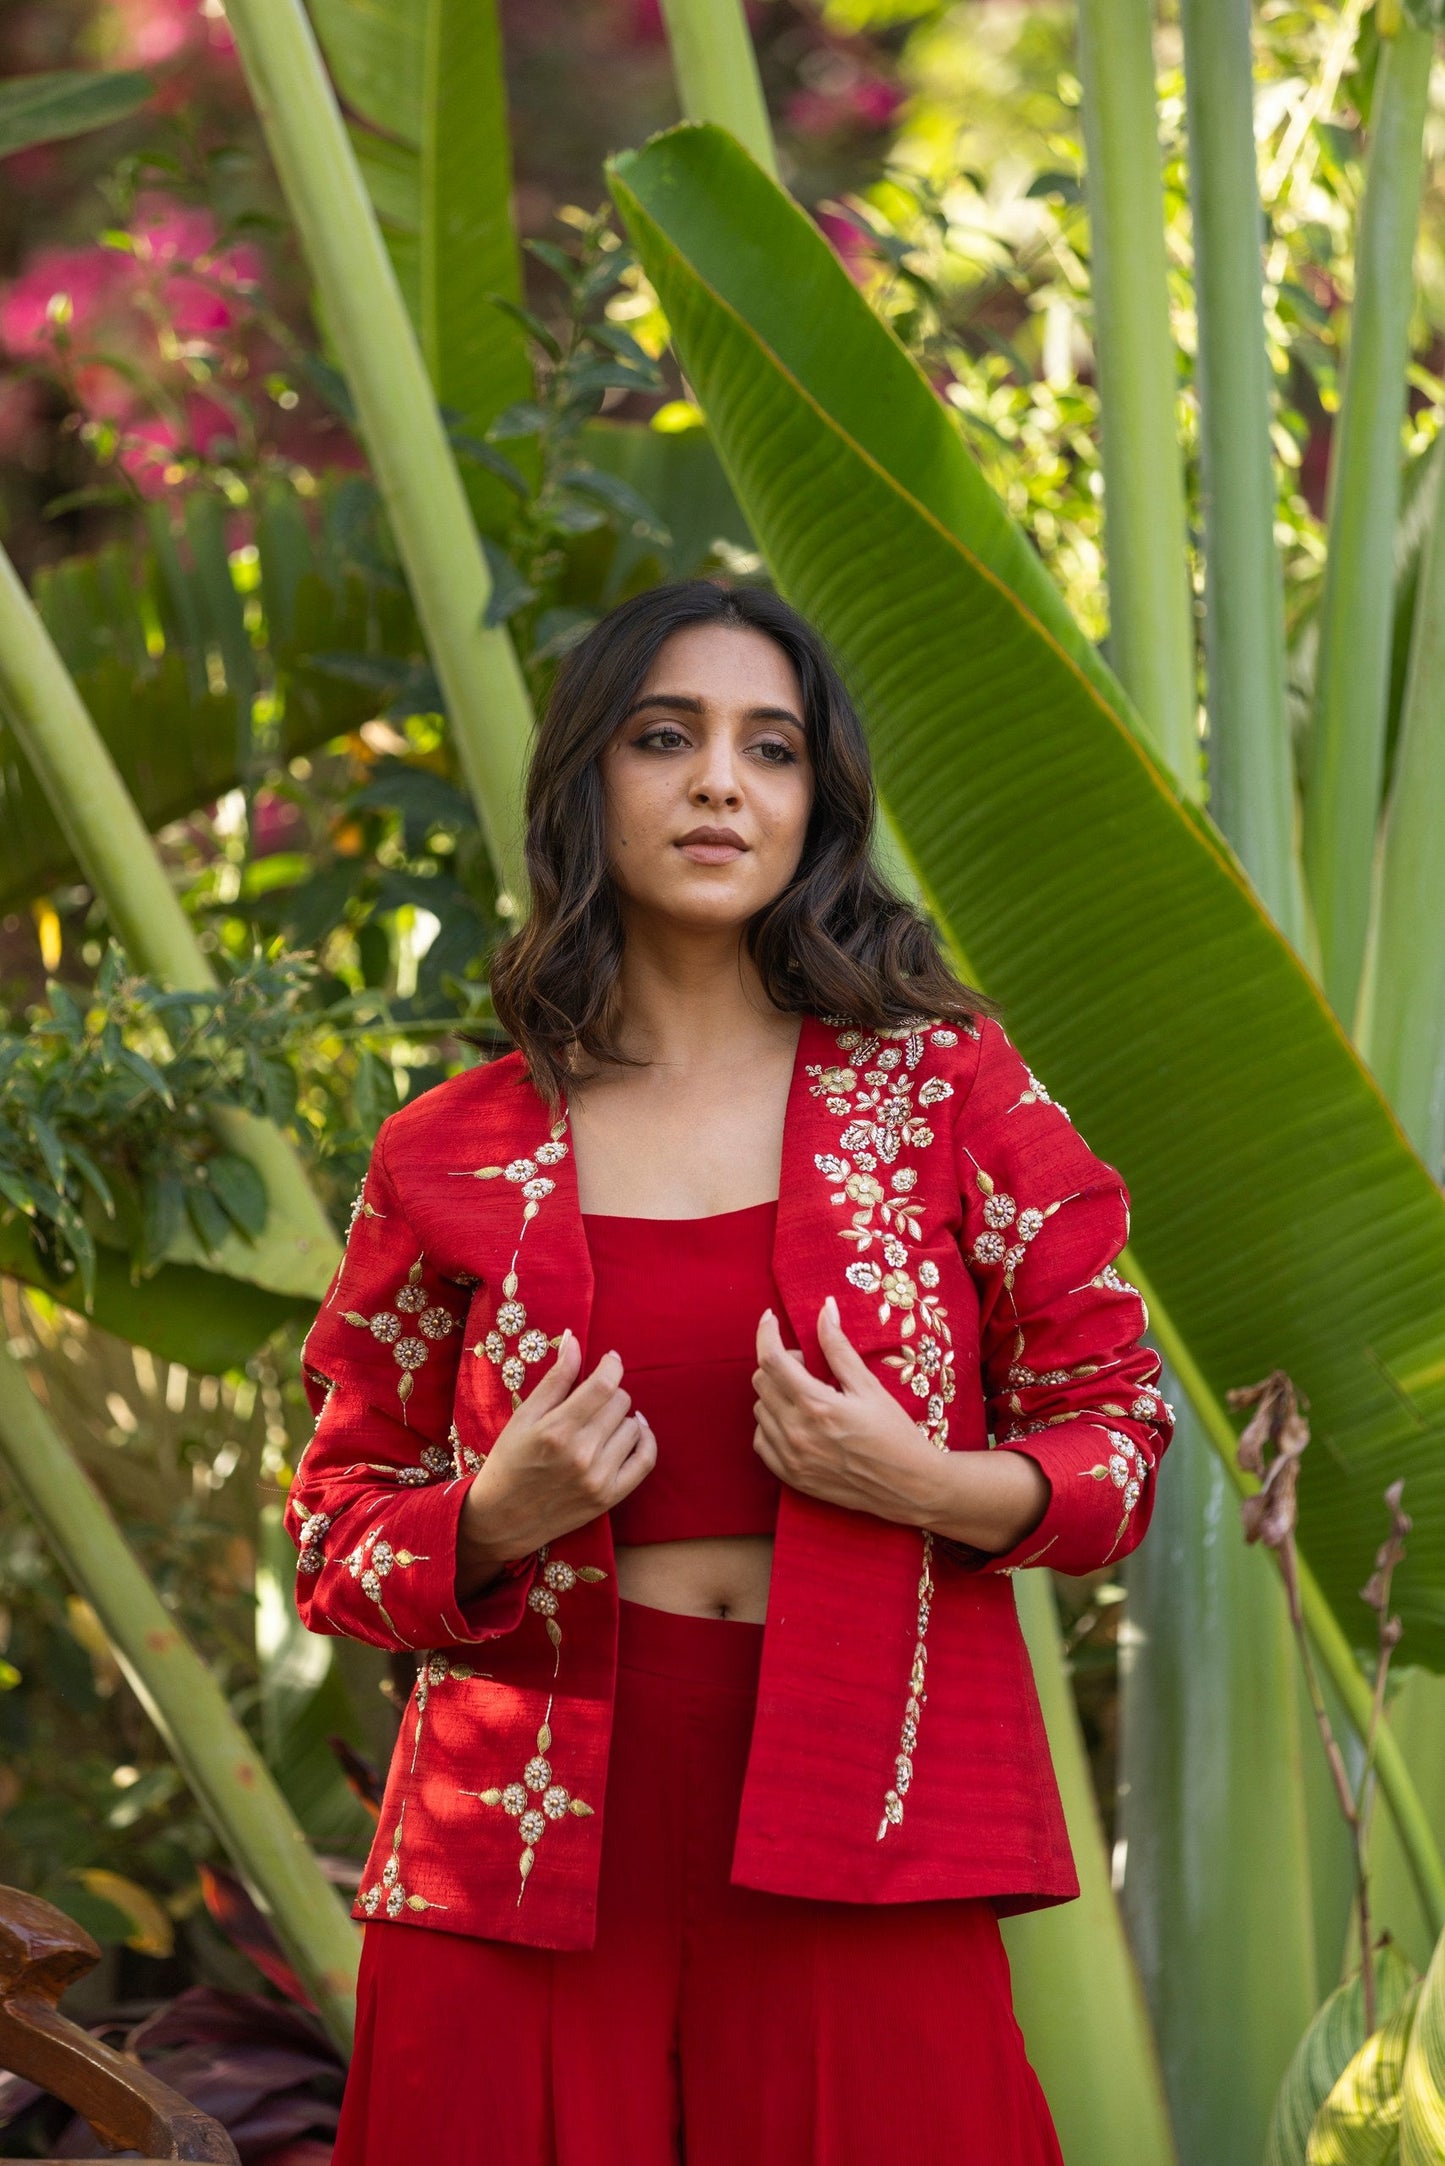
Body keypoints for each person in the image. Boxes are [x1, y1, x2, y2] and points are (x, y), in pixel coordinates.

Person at [292, 578, 1173, 2165]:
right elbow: (333, 1526)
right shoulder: (450, 1152)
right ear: (588, 781)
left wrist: (922, 1481)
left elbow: (1117, 1434)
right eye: (664, 736)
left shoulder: (947, 1093)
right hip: (525, 1837)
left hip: (860, 1792)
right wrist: (491, 1514)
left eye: (769, 748)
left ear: (813, 805)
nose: (718, 780)